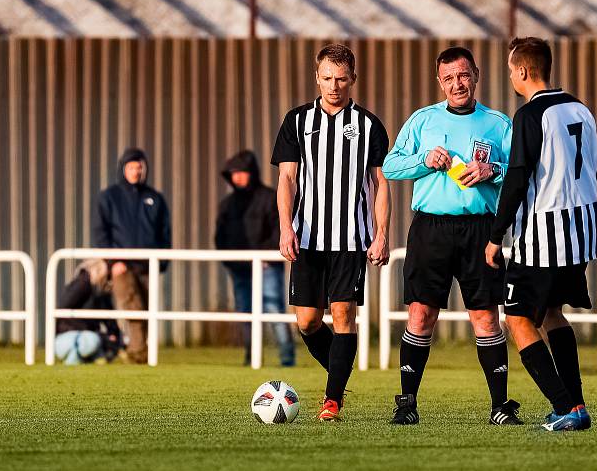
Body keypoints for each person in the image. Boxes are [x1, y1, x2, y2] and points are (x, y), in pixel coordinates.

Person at [382, 46, 521, 426]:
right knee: (421, 313)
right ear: (439, 81)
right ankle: (407, 404)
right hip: (431, 227)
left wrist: (493, 169)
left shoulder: (498, 124)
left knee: (486, 318)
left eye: (463, 75)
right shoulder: (422, 120)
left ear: (476, 75)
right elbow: (391, 166)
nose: (457, 84)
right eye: (449, 78)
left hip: (481, 230)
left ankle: (499, 407)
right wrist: (423, 161)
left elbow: (521, 171)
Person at [485, 37, 597, 431]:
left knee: (517, 319)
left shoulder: (531, 115)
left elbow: (517, 178)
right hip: (581, 231)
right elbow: (594, 170)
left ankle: (567, 408)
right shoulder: (581, 109)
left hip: (541, 238)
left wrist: (494, 236)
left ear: (521, 70)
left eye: (510, 69)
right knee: (553, 313)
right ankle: (576, 404)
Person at [272, 43, 391, 421]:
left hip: (349, 240)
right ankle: (340, 373)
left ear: (353, 79)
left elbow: (380, 184)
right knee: (307, 321)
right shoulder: (296, 121)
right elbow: (287, 178)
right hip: (306, 237)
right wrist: (285, 228)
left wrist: (381, 233)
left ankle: (332, 399)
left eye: (341, 79)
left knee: (343, 315)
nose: (334, 85)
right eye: (327, 78)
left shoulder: (370, 125)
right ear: (317, 77)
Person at [215, 150, 296, 367]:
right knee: (245, 313)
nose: (237, 177)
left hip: (268, 267)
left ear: (252, 172)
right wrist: (231, 262)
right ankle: (251, 356)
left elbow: (279, 230)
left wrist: (267, 256)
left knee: (273, 309)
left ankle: (287, 358)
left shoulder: (270, 198)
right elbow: (220, 236)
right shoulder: (228, 204)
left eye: (242, 172)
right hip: (240, 269)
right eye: (233, 173)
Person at [93, 147, 171, 364]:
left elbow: (164, 233)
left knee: (146, 308)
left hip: (148, 266)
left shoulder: (155, 198)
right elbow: (101, 233)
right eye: (131, 167)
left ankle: (140, 351)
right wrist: (113, 261)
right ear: (123, 169)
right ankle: (138, 354)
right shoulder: (109, 197)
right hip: (122, 266)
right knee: (133, 306)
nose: (135, 171)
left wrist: (162, 262)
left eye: (139, 167)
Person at [54, 260, 123, 365]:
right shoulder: (83, 283)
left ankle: (82, 360)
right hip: (68, 338)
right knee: (92, 341)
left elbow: (109, 319)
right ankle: (73, 363)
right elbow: (63, 306)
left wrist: (114, 337)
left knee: (107, 347)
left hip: (85, 337)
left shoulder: (101, 290)